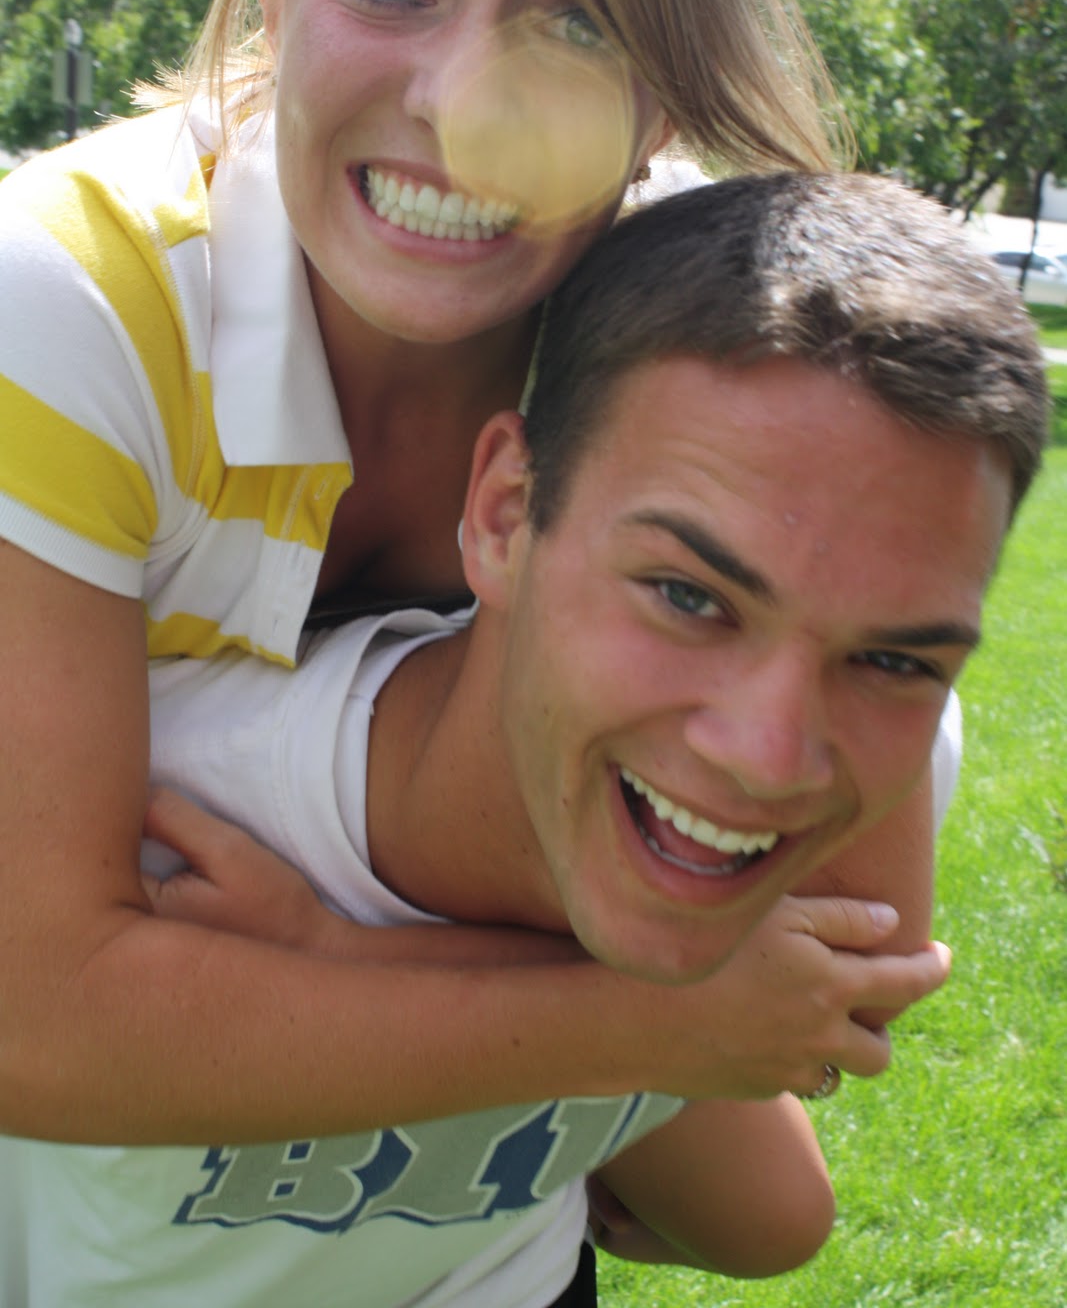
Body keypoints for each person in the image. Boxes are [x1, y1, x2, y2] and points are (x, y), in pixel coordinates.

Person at [0, 0, 919, 1169]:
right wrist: (643, 1026)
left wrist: (323, 970)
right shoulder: (69, 301)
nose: (456, 106)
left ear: (663, 94)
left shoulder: (684, 351)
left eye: (581, 19)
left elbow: (833, 973)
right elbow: (35, 1021)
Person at [8, 172, 1047, 1305]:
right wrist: (651, 1025)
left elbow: (781, 1176)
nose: (766, 755)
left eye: (894, 659)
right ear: (502, 513)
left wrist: (347, 959)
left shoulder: (862, 770)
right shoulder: (173, 821)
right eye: (686, 596)